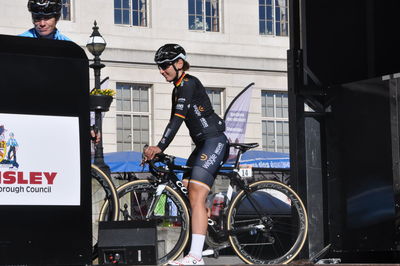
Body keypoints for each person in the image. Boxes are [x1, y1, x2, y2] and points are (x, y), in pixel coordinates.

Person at [144, 44, 229, 265]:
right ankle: (197, 247)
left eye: (164, 66)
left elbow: (177, 120)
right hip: (201, 144)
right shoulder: (177, 88)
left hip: (214, 140)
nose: (161, 71)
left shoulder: (189, 84)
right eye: (159, 67)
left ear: (179, 63)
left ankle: (196, 257)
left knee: (196, 195)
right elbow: (176, 119)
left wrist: (160, 147)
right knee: (190, 195)